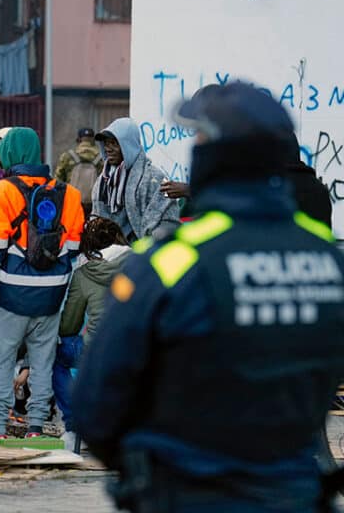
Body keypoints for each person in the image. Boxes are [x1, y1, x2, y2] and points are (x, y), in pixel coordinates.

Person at [73, 82, 344, 512]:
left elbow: (95, 405)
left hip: (192, 493)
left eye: (198, 137)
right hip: (295, 493)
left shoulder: (172, 263)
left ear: (215, 156)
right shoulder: (328, 261)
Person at [0, 127, 84, 439]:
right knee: (42, 364)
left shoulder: (0, 193)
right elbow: (73, 251)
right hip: (51, 297)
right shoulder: (70, 194)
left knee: (3, 363)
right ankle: (36, 428)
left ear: (9, 153)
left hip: (10, 296)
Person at [55, 216, 130, 451]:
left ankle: (74, 427)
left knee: (54, 355)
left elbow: (68, 325)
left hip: (97, 349)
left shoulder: (84, 273)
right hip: (137, 346)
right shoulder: (141, 263)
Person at [91, 118, 180, 242]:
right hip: (110, 254)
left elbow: (169, 220)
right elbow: (95, 217)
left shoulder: (156, 178)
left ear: (129, 145)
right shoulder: (103, 182)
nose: (108, 148)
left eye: (114, 143)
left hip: (145, 253)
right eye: (106, 143)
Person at [56, 128, 102, 211]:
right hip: (95, 205)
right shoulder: (102, 158)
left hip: (72, 204)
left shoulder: (67, 156)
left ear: (79, 139)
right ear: (93, 140)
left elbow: (58, 181)